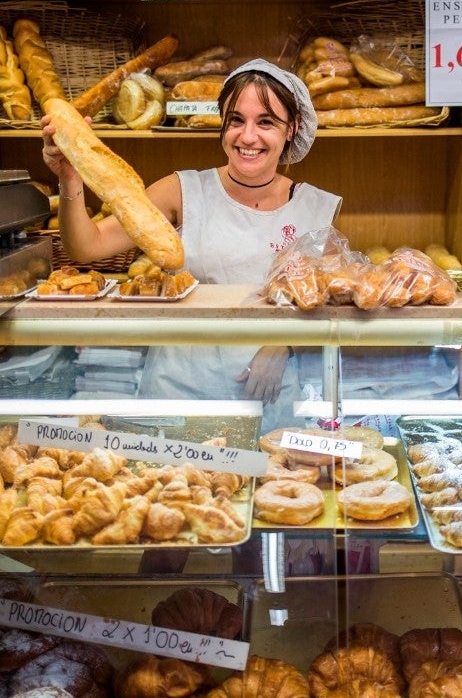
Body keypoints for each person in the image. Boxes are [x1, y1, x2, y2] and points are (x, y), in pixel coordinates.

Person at [41, 59, 341, 426]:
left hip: (270, 401)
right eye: (236, 120)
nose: (248, 137)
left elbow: (329, 309)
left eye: (266, 122)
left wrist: (284, 344)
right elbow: (87, 247)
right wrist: (71, 178)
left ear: (291, 129)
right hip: (179, 393)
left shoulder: (315, 209)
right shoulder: (182, 191)